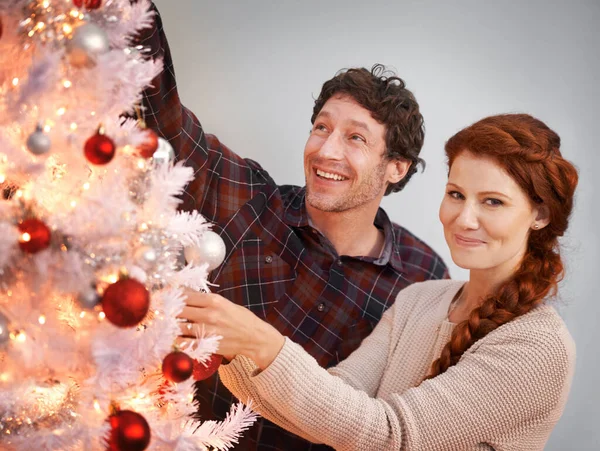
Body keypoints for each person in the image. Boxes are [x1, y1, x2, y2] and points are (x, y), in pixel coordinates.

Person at [138, 4, 448, 449]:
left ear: (396, 168)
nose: (326, 150)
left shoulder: (424, 279)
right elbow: (161, 115)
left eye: (355, 137)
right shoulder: (249, 197)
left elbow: (398, 420)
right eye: (322, 127)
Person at [181, 113, 579, 450]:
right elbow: (330, 405)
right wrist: (234, 348)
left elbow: (392, 436)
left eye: (493, 201)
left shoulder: (537, 346)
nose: (464, 218)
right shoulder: (420, 299)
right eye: (456, 194)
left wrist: (262, 344)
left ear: (539, 215)